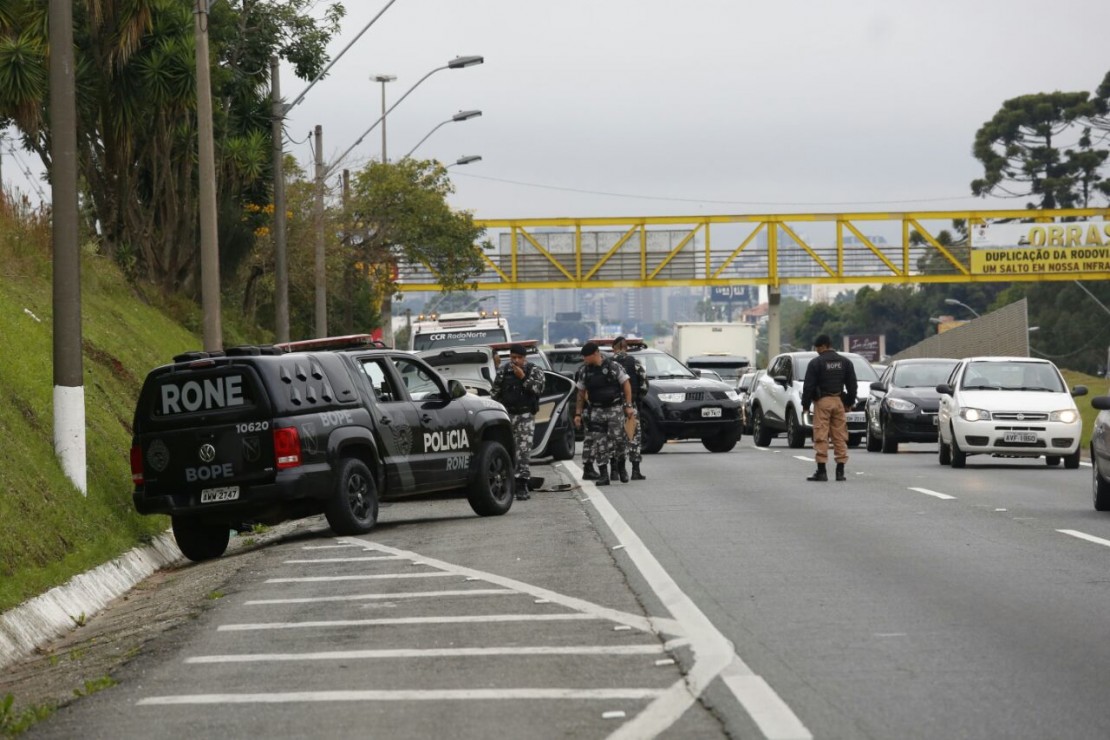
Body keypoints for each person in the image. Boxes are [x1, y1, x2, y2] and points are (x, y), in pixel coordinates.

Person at [574, 342, 634, 486]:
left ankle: (621, 467)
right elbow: (581, 393)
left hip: (614, 409)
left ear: (596, 353)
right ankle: (603, 475)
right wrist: (578, 414)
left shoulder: (613, 367)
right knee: (599, 442)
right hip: (596, 411)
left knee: (619, 440)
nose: (584, 359)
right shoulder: (585, 371)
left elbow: (626, 384)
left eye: (586, 356)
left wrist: (628, 405)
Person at [491, 343, 546, 500]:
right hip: (508, 415)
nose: (515, 360)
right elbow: (495, 393)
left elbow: (538, 389)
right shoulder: (503, 371)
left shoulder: (534, 370)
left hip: (525, 415)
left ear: (524, 358)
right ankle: (506, 483)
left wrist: (522, 377)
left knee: (523, 451)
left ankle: (522, 484)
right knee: (507, 449)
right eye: (513, 357)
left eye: (519, 358)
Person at [801, 334, 857, 482]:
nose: (817, 351)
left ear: (823, 346)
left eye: (818, 348)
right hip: (838, 401)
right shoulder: (845, 362)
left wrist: (805, 405)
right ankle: (840, 472)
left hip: (822, 402)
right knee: (840, 436)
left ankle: (821, 472)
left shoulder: (816, 363)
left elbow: (808, 386)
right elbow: (852, 385)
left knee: (821, 435)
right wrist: (849, 403)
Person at [610, 336, 648, 481]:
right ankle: (635, 471)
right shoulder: (635, 362)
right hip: (630, 406)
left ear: (613, 348)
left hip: (612, 406)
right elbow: (644, 385)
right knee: (633, 436)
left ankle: (614, 471)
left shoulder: (608, 363)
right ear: (626, 348)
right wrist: (636, 399)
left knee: (614, 437)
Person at [574, 363, 599, 480]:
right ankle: (588, 468)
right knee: (591, 440)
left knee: (590, 440)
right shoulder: (585, 371)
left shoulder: (583, 370)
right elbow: (582, 393)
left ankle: (589, 468)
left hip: (589, 409)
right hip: (590, 409)